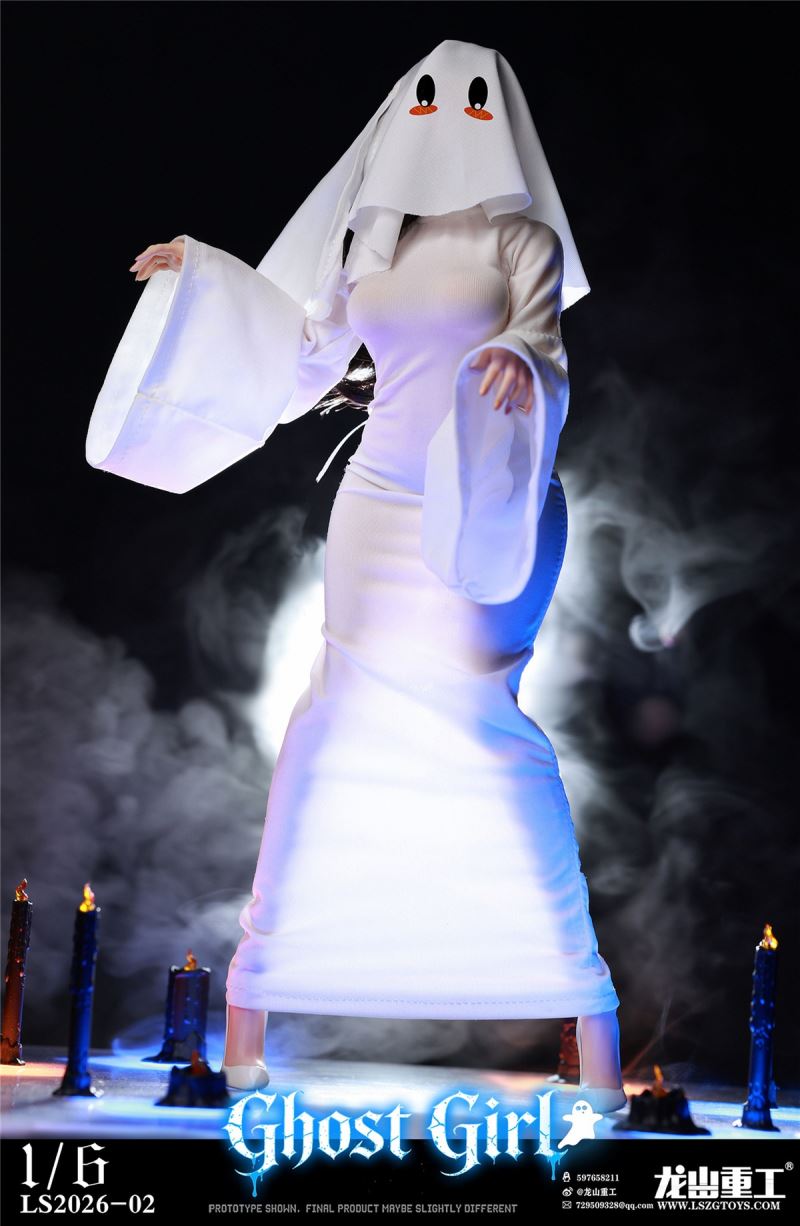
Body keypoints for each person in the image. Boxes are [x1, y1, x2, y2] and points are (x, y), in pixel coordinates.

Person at [94, 39, 625, 1113]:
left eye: (469, 98)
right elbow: (301, 352)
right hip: (376, 500)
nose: (446, 115)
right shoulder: (370, 241)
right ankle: (252, 1018)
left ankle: (585, 1020)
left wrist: (516, 364)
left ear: (499, 113)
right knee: (330, 724)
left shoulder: (517, 235)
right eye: (426, 96)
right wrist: (201, 279)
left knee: (486, 727)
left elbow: (543, 345)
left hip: (488, 495)